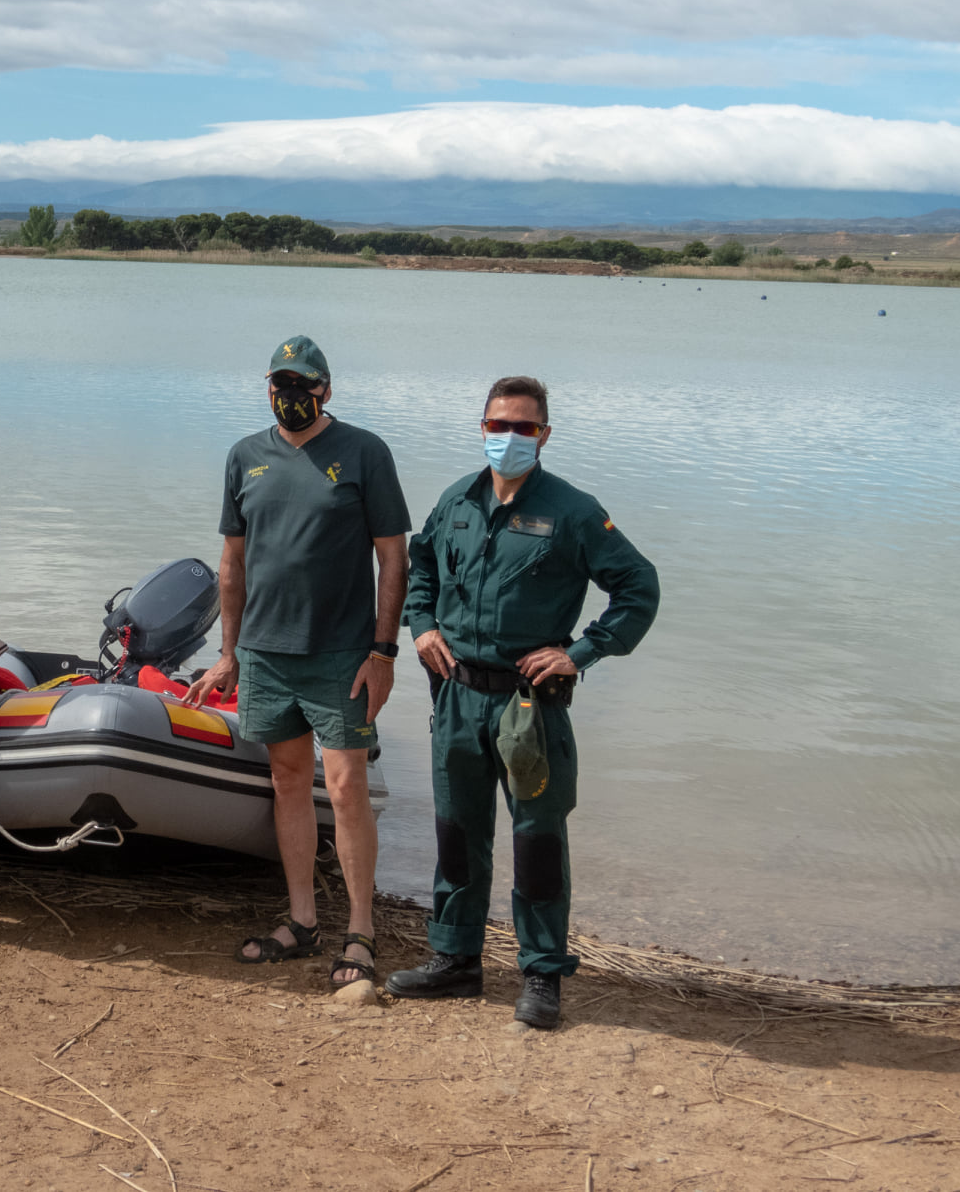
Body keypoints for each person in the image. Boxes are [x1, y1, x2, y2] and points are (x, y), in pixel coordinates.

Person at [386, 375, 659, 1029]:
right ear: (481, 428)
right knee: (457, 835)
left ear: (544, 435)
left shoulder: (572, 511)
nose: (508, 438)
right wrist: (420, 625)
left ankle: (542, 975)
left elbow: (637, 586)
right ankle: (456, 961)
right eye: (497, 425)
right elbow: (420, 567)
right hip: (456, 699)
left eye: (523, 428)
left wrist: (583, 652)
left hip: (527, 708)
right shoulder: (456, 501)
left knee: (537, 843)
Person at [187, 336, 410, 990]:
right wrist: (229, 655)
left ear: (326, 390)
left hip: (342, 655)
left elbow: (393, 559)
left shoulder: (364, 453)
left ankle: (361, 932)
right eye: (279, 385)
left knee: (345, 789)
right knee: (288, 782)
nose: (290, 397)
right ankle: (303, 922)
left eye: (302, 385)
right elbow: (232, 563)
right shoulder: (244, 457)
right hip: (265, 654)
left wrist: (384, 652)